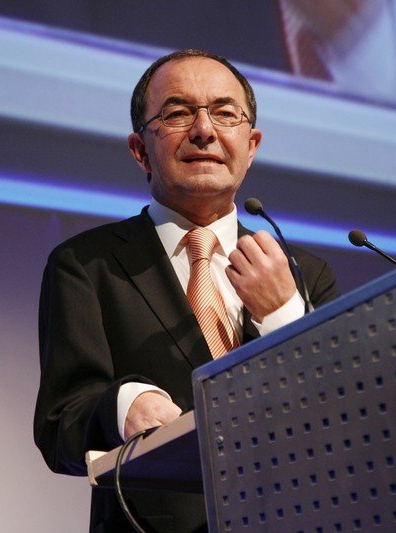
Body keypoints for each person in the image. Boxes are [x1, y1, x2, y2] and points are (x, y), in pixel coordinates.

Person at [34, 49, 339, 532]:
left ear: (251, 144)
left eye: (225, 113)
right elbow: (59, 425)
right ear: (140, 150)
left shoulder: (306, 275)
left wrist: (283, 315)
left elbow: (342, 417)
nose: (203, 130)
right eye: (177, 113)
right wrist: (125, 406)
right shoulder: (86, 266)